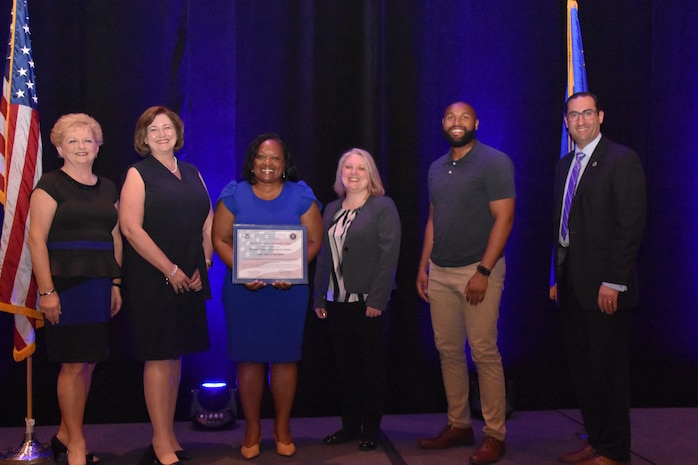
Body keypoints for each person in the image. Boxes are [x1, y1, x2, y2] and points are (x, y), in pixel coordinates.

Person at [211, 132, 323, 459]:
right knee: (249, 359)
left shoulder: (302, 196)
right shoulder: (234, 194)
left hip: (288, 293)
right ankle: (253, 428)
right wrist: (244, 272)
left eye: (275, 157)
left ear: (285, 163)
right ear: (252, 161)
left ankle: (283, 427)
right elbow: (220, 240)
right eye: (262, 156)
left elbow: (314, 241)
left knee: (286, 358)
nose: (268, 163)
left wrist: (292, 268)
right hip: (244, 292)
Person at [415, 101, 515, 465]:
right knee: (449, 352)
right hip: (440, 272)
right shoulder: (436, 168)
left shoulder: (495, 162)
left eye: (464, 117)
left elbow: (504, 219)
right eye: (450, 118)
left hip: (478, 272)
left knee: (485, 352)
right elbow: (433, 220)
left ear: (477, 122)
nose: (457, 123)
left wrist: (484, 271)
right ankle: (459, 425)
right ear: (442, 123)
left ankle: (494, 434)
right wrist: (423, 266)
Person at [551, 92, 645, 465]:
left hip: (606, 288)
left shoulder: (622, 160)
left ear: (601, 116)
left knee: (608, 374)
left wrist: (615, 282)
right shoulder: (564, 165)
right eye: (573, 115)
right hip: (571, 284)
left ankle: (616, 451)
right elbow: (562, 229)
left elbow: (630, 226)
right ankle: (596, 440)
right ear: (566, 122)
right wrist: (557, 274)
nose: (581, 121)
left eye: (587, 113)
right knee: (583, 371)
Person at [119, 106, 213, 465]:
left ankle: (170, 434)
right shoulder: (137, 174)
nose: (161, 134)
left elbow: (208, 222)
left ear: (177, 132)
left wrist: (202, 263)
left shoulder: (192, 172)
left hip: (190, 275)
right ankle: (159, 441)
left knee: (176, 357)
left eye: (167, 128)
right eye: (153, 129)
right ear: (143, 137)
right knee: (159, 356)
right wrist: (170, 269)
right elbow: (131, 228)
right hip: (153, 276)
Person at [28, 113, 122, 465]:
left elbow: (114, 236)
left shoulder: (109, 187)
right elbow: (36, 240)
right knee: (72, 364)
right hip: (65, 286)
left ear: (98, 147)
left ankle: (65, 435)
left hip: (99, 283)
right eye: (73, 141)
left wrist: (115, 282)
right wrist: (47, 291)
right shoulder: (49, 185)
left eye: (87, 140)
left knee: (89, 363)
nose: (81, 147)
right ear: (58, 148)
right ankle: (77, 444)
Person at [313, 148, 401, 451]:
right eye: (347, 167)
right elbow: (325, 255)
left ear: (370, 174)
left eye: (360, 168)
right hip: (335, 302)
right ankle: (349, 427)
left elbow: (389, 256)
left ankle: (371, 429)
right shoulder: (331, 208)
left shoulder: (382, 207)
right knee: (345, 369)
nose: (353, 173)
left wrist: (378, 299)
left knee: (371, 369)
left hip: (367, 304)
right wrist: (318, 297)